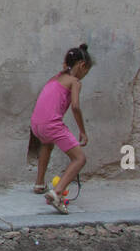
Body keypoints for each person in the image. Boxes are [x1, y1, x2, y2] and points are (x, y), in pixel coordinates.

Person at [30, 44, 93, 214]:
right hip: (52, 124)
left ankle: (40, 183)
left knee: (47, 144)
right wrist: (82, 131)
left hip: (36, 124)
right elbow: (75, 107)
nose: (84, 76)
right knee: (79, 159)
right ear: (82, 66)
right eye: (86, 72)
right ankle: (57, 193)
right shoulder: (74, 82)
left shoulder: (55, 77)